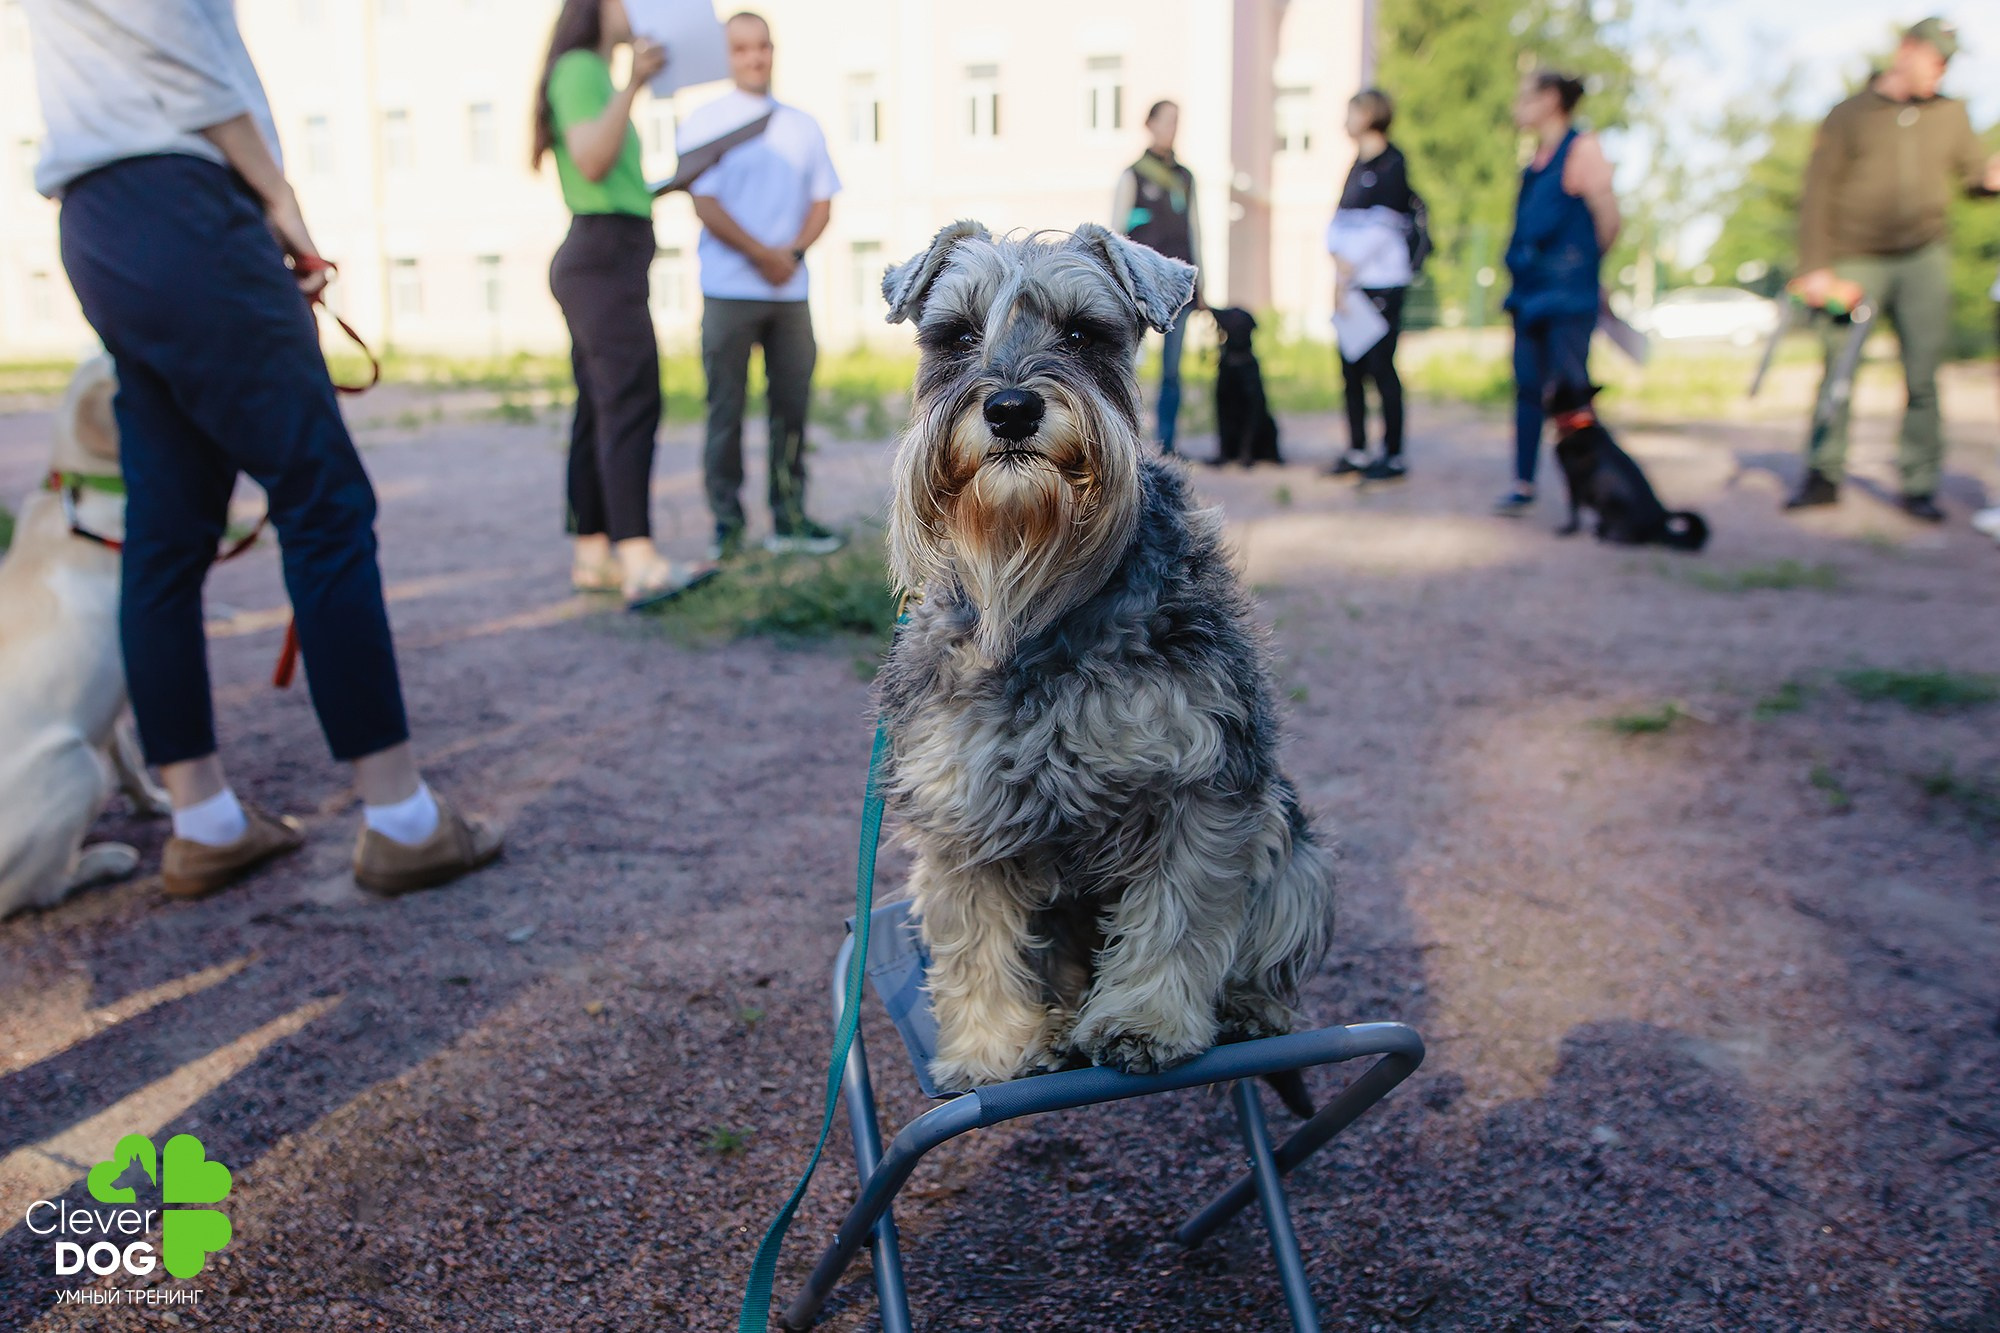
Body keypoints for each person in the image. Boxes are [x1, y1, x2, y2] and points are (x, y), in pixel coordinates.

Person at [24, 0, 501, 898]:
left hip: (99, 219)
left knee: (167, 527)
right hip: (187, 201)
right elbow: (178, 47)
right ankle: (401, 819)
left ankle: (203, 823)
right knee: (324, 501)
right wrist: (279, 200)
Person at [535, 0, 715, 608]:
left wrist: (666, 182)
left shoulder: (588, 73)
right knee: (631, 400)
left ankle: (594, 555)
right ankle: (640, 561)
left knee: (599, 408)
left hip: (604, 256)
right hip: (602, 259)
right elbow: (592, 159)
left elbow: (605, 173)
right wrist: (634, 82)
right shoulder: (581, 69)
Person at [1786, 17, 2000, 522]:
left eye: (1948, 64)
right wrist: (1816, 267)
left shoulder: (1950, 113)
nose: (1941, 72)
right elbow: (1817, 193)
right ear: (1907, 50)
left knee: (1923, 374)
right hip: (1855, 255)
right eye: (1936, 60)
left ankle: (1919, 483)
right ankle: (1823, 472)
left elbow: (1975, 177)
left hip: (1924, 254)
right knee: (1839, 368)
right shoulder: (1850, 114)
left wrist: (1991, 177)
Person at [683, 11, 843, 560]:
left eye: (763, 46)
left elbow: (822, 203)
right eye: (742, 48)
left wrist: (790, 255)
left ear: (773, 50)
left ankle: (790, 519)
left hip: (789, 293)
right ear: (727, 56)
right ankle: (727, 529)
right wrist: (762, 255)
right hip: (728, 290)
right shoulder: (705, 122)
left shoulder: (803, 125)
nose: (754, 57)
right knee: (724, 412)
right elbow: (705, 203)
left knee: (791, 410)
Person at [1496, 70, 1620, 516]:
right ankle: (1523, 483)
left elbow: (1609, 218)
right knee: (1528, 388)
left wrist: (1584, 269)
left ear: (1550, 100)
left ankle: (1594, 488)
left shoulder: (1581, 149)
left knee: (1571, 394)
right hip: (1529, 294)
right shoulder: (1536, 162)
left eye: (1524, 97)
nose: (1517, 106)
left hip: (1566, 296)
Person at [1325, 88, 1415, 483]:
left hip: (1381, 285)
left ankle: (1392, 455)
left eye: (1351, 112)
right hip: (1351, 287)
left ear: (1369, 115)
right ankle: (1357, 450)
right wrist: (1339, 270)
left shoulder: (1393, 164)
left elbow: (1386, 226)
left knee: (1381, 368)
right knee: (1351, 369)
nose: (1345, 120)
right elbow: (1339, 223)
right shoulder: (1355, 165)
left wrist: (1350, 265)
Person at [1113, 100, 1204, 454]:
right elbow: (1116, 234)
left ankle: (1167, 444)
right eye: (1166, 121)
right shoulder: (1133, 175)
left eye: (1176, 121)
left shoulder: (1185, 177)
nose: (1172, 128)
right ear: (1149, 124)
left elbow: (1195, 230)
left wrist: (1201, 283)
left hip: (1177, 289)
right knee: (1126, 365)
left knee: (1172, 371)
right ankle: (1127, 442)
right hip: (1138, 288)